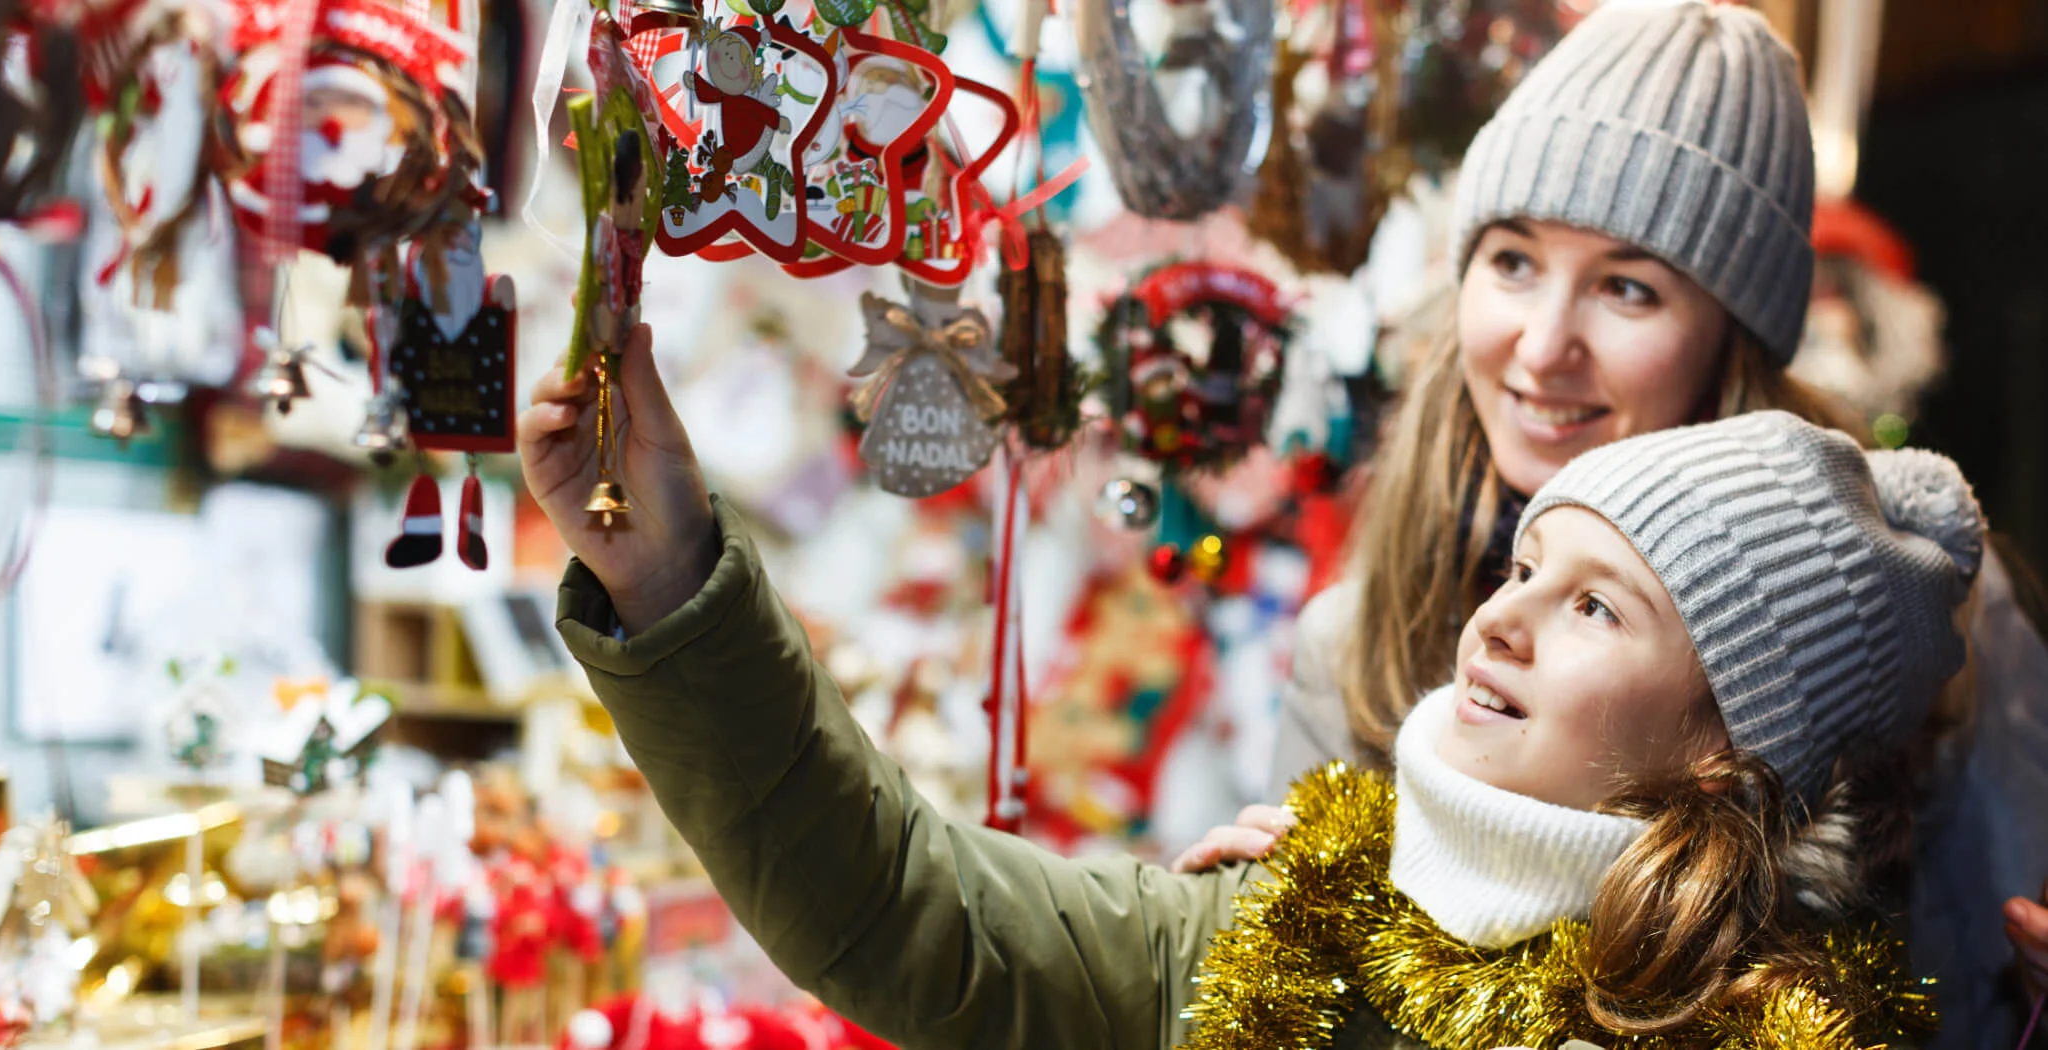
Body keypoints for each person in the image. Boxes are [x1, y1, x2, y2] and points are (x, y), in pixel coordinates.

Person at [525, 280, 1981, 1048]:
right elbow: (895, 898)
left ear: (1726, 744)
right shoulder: (1277, 923)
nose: (1503, 621)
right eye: (1524, 569)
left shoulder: (1798, 1038)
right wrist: (669, 574)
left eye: (1600, 608)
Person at [1157, 3, 2048, 1042]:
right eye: (1513, 260)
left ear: (1732, 339)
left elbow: (1981, 999)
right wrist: (1248, 931)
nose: (1542, 348)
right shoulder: (1361, 635)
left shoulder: (1920, 625)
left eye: (1627, 288)